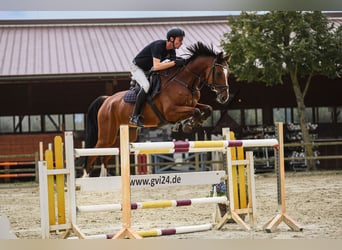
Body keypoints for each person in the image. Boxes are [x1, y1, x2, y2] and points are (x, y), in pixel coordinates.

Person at [129, 27, 186, 127]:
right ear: (172, 39)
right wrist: (175, 62)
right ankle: (134, 116)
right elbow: (157, 66)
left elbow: (172, 64)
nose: (181, 43)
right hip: (137, 68)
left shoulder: (172, 51)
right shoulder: (158, 46)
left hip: (148, 69)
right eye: (180, 40)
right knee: (146, 86)